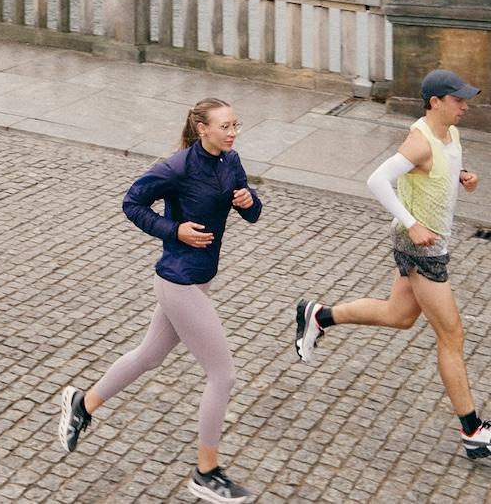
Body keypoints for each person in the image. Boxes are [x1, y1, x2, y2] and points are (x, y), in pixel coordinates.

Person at [58, 98, 261, 504]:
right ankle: (206, 473)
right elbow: (132, 203)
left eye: (236, 124)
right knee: (223, 375)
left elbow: (253, 212)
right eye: (225, 126)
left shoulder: (229, 160)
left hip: (199, 280)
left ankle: (84, 402)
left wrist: (248, 201)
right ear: (202, 128)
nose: (232, 132)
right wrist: (175, 231)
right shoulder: (177, 167)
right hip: (177, 282)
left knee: (149, 356)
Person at [295, 69, 491, 462]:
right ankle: (473, 431)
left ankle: (318, 315)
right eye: (458, 100)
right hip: (421, 248)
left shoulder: (448, 132)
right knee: (452, 335)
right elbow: (376, 181)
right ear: (435, 102)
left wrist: (461, 176)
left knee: (399, 315)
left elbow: (438, 172)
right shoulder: (418, 141)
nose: (466, 106)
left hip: (426, 241)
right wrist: (412, 223)